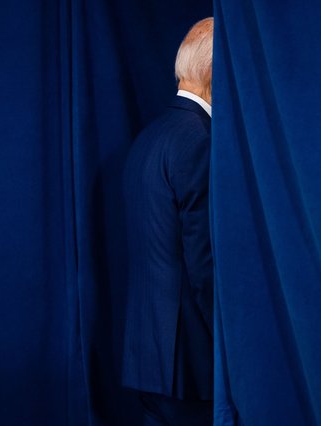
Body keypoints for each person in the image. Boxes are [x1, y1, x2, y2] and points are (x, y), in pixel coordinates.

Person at [121, 17, 214, 426]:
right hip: (189, 363)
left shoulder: (149, 138)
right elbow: (202, 262)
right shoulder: (198, 140)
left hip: (145, 356)